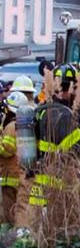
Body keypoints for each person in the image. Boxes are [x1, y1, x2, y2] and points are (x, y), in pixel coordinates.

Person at [30, 64, 80, 206]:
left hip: (39, 185)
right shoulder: (64, 115)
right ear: (70, 88)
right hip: (59, 187)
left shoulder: (41, 111)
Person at [0, 92, 25, 223]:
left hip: (10, 176)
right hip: (19, 174)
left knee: (8, 213)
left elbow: (7, 150)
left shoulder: (11, 126)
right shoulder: (22, 125)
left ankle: (8, 238)